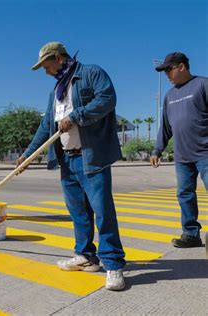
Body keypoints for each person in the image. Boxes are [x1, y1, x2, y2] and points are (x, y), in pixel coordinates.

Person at [16, 41, 126, 291]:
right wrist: (28, 155)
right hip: (66, 159)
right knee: (78, 212)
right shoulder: (56, 91)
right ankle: (86, 257)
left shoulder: (91, 73)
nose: (46, 72)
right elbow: (46, 127)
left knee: (102, 211)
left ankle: (113, 265)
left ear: (58, 58)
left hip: (91, 157)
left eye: (46, 66)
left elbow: (107, 99)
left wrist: (75, 117)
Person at [150, 52, 208, 248]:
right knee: (185, 194)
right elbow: (165, 126)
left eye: (169, 69)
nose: (166, 73)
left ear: (181, 67)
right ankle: (191, 234)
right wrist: (157, 150)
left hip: (205, 153)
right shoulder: (170, 95)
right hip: (182, 156)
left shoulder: (203, 84)